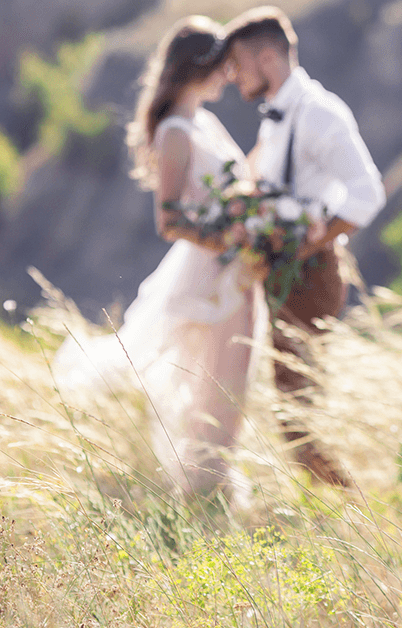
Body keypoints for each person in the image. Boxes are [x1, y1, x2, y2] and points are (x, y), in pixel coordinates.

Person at [55, 16, 265, 501]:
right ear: (199, 67)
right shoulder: (174, 132)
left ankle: (209, 489)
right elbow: (169, 221)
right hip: (208, 270)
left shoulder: (204, 122)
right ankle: (202, 491)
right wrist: (228, 239)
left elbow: (239, 186)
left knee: (232, 378)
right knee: (212, 379)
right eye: (222, 67)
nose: (229, 76)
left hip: (237, 266)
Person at [223, 6, 386, 488]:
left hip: (310, 275)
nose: (232, 77)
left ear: (268, 58)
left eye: (238, 64)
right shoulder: (276, 116)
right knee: (294, 408)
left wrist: (316, 237)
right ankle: (338, 508)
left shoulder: (319, 112)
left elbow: (367, 191)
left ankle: (354, 511)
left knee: (296, 415)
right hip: (282, 275)